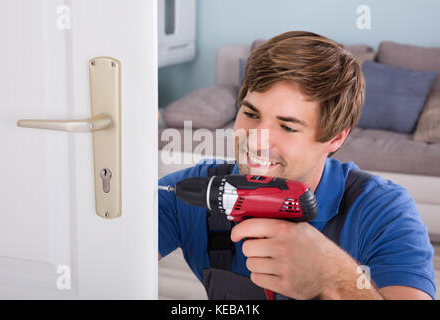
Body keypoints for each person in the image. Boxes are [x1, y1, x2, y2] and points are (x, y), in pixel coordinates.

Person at [158, 31, 436, 300]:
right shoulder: (197, 191)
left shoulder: (384, 211)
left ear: (336, 138)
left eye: (288, 127)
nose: (256, 142)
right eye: (250, 113)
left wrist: (334, 280)